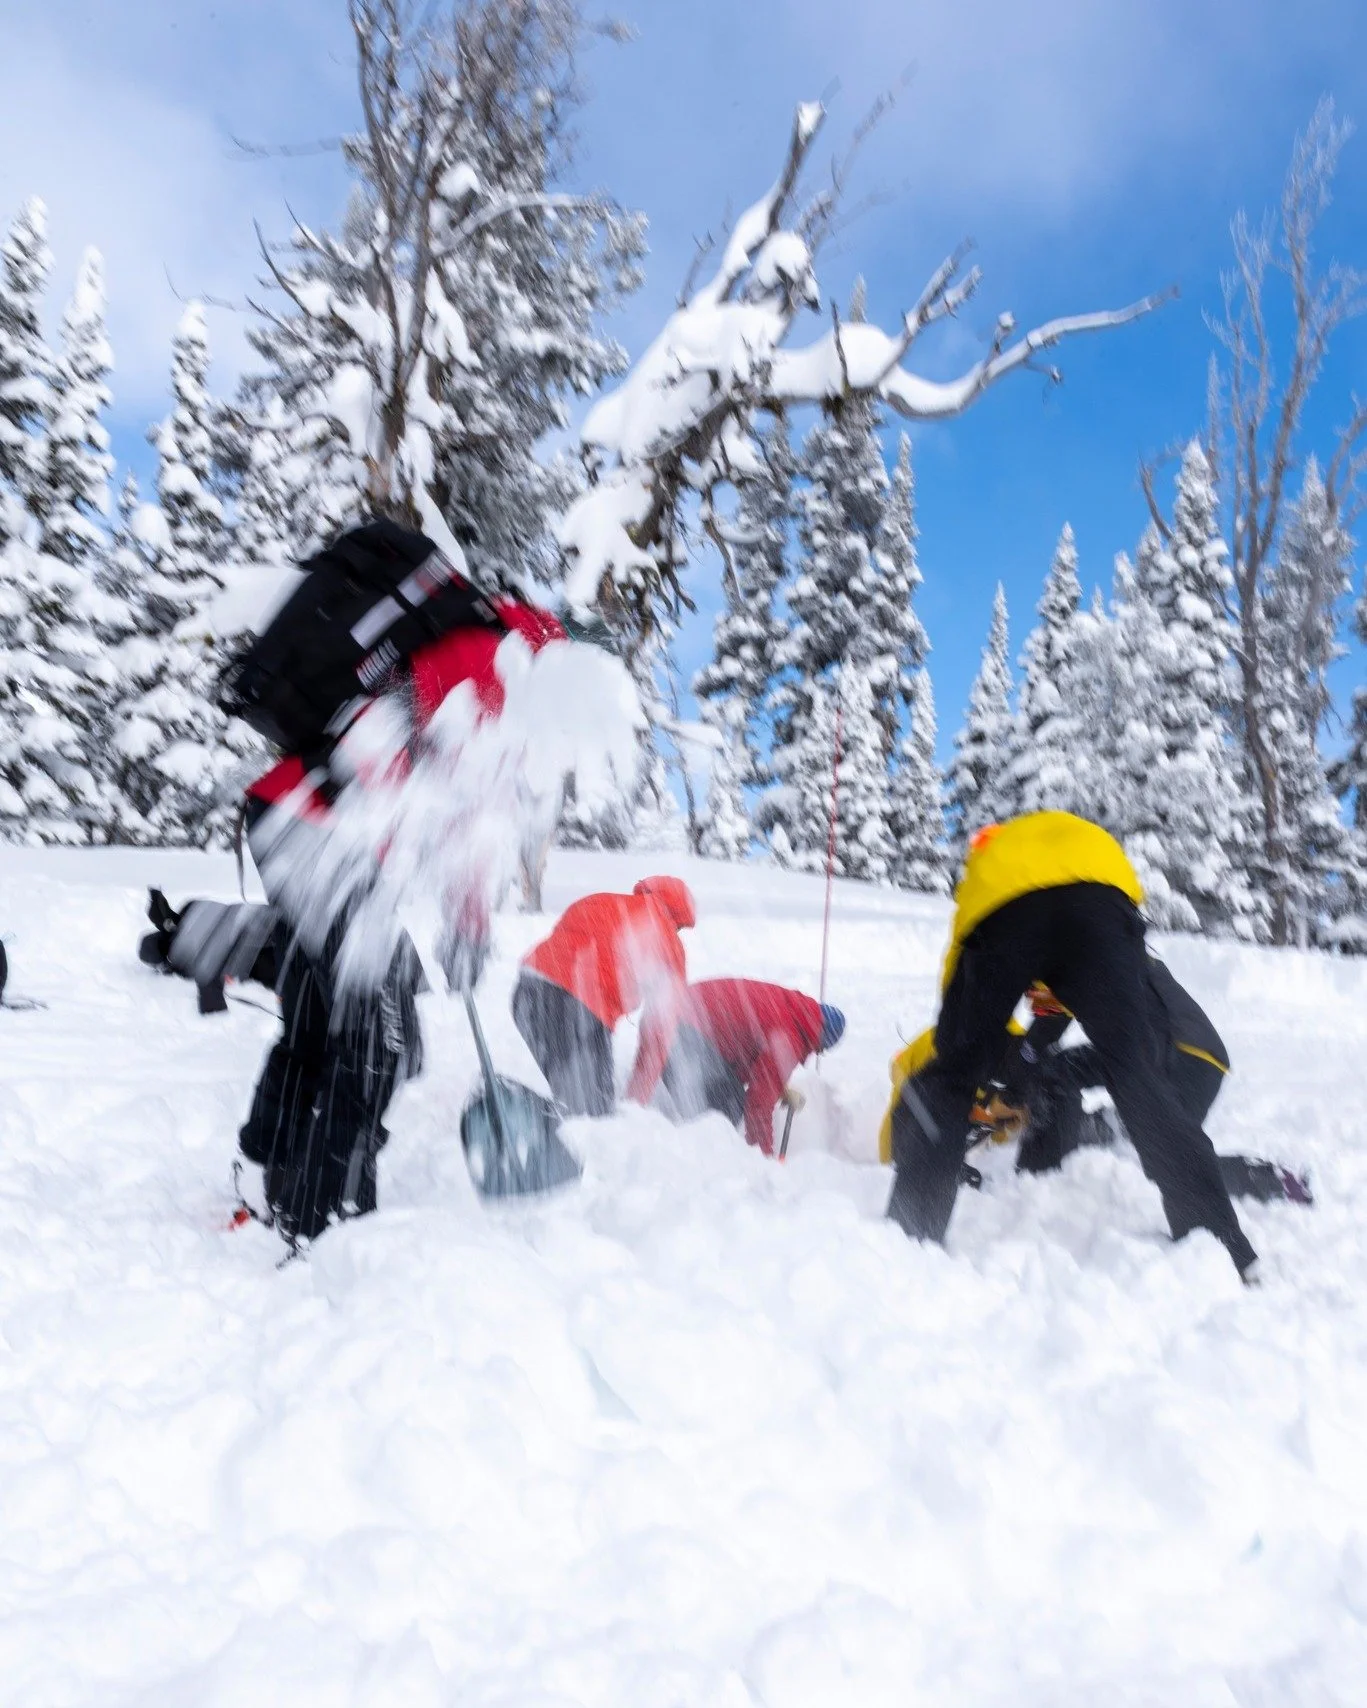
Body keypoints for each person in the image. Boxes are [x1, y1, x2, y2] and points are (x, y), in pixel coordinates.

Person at [231, 519, 565, 1248]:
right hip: (324, 838)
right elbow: (378, 747)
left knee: (324, 1021)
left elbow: (463, 820)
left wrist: (468, 925)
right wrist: (393, 847)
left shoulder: (482, 662)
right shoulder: (493, 668)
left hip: (290, 820)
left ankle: (265, 1175)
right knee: (377, 1043)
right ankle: (325, 1230)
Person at [886, 811, 1259, 1279]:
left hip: (1009, 906)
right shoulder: (1073, 843)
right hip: (1107, 900)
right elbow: (1052, 1013)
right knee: (1137, 1075)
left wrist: (965, 1048)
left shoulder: (992, 859)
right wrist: (1022, 1070)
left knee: (953, 1073)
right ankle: (1222, 1249)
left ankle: (910, 1234)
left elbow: (962, 979)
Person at [512, 877, 695, 1118]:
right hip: (576, 1010)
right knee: (593, 1114)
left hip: (527, 992)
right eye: (679, 927)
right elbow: (659, 1031)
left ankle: (523, 1120)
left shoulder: (600, 901)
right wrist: (636, 1099)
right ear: (678, 919)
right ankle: (514, 1114)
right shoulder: (669, 943)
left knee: (575, 1099)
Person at [628, 977, 845, 1155]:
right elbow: (759, 1104)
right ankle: (689, 1165)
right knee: (725, 1110)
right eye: (821, 1050)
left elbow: (741, 1054)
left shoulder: (791, 1008)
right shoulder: (791, 1035)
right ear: (821, 1041)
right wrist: (762, 1159)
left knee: (725, 1099)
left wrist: (774, 1086)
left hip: (665, 1017)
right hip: (677, 1033)